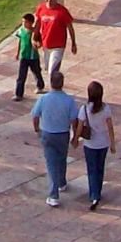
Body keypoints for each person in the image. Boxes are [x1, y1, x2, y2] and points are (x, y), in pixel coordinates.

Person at [29, 70, 78, 207]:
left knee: (51, 164)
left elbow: (35, 116)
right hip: (63, 134)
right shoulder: (69, 100)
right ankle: (61, 182)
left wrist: (37, 129)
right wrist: (75, 136)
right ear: (62, 83)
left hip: (48, 134)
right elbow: (74, 119)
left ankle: (53, 195)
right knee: (62, 159)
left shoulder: (44, 99)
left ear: (51, 83)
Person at [75, 80, 120, 210]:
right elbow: (110, 127)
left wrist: (76, 139)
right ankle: (98, 192)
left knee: (92, 169)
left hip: (90, 145)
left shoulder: (84, 109)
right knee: (100, 168)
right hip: (103, 144)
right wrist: (112, 143)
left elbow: (79, 127)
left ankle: (94, 195)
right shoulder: (106, 109)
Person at [34, 0, 78, 76]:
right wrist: (34, 38)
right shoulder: (41, 9)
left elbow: (70, 28)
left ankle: (54, 88)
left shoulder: (62, 11)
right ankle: (57, 83)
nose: (49, 0)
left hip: (58, 45)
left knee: (52, 71)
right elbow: (38, 24)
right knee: (47, 68)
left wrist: (73, 43)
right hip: (46, 44)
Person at [13, 12, 44, 100]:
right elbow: (19, 41)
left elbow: (39, 43)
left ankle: (40, 85)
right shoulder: (21, 31)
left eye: (26, 22)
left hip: (33, 57)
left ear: (31, 23)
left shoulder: (35, 33)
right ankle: (19, 94)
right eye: (23, 22)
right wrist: (18, 53)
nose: (24, 24)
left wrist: (37, 44)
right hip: (24, 57)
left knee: (37, 72)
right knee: (21, 76)